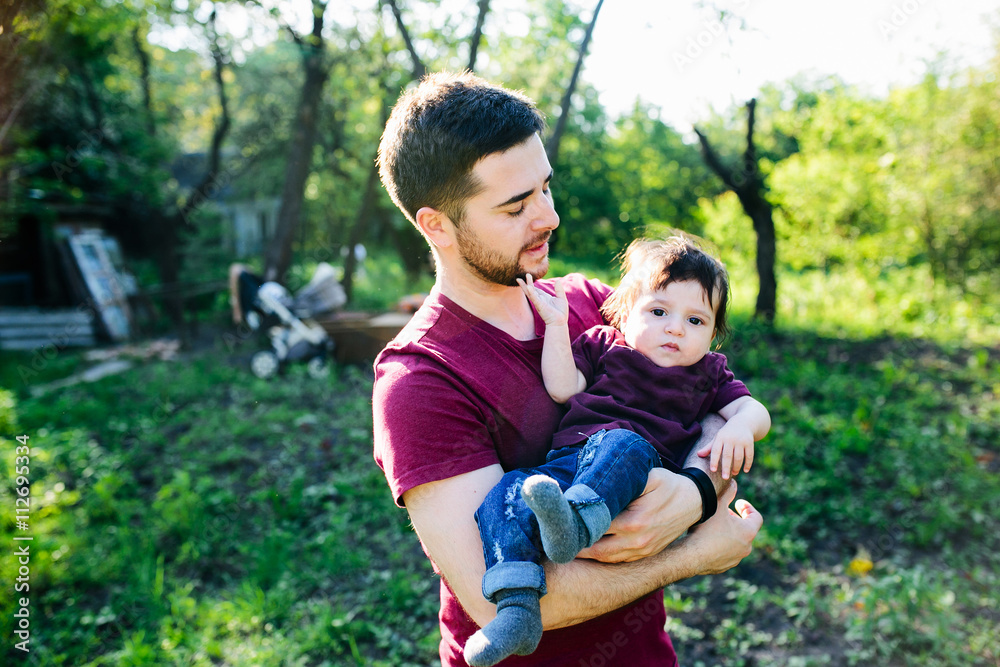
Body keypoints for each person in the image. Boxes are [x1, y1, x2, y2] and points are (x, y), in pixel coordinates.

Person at [372, 71, 763, 667]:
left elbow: (703, 396)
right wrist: (690, 554)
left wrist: (695, 491)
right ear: (437, 225)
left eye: (545, 189)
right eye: (516, 206)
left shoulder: (592, 301)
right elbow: (492, 599)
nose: (549, 217)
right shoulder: (420, 382)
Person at [464, 236, 771, 665]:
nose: (676, 328)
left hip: (636, 472)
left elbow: (755, 410)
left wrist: (740, 425)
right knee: (511, 490)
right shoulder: (605, 344)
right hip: (570, 463)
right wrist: (556, 326)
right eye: (659, 312)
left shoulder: (708, 372)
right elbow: (564, 386)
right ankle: (517, 607)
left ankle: (574, 524)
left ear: (713, 335)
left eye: (696, 320)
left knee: (621, 441)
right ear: (626, 314)